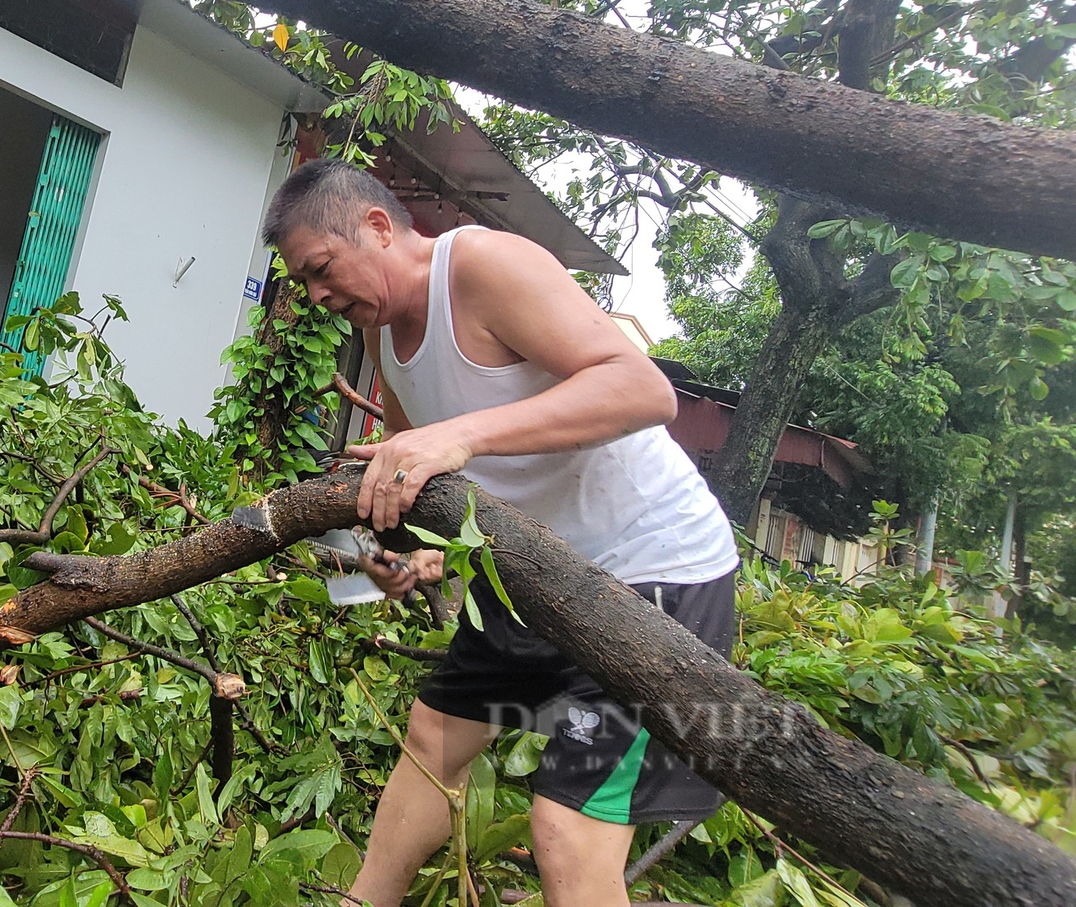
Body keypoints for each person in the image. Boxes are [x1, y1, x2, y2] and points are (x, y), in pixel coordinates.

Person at [262, 160, 740, 907]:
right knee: (433, 741)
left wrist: (461, 437)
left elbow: (644, 390)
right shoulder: (388, 338)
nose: (319, 296)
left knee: (567, 829)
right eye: (306, 284)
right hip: (528, 570)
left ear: (378, 227)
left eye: (322, 269)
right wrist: (410, 556)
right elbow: (420, 481)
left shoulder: (483, 264)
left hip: (654, 573)